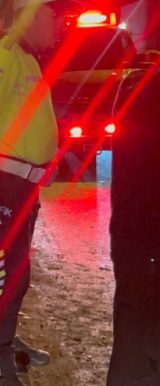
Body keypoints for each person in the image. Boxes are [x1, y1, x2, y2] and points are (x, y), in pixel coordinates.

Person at [0, 0, 72, 386]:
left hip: (22, 184)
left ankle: (5, 342)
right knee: (4, 272)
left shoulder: (29, 59)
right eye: (53, 13)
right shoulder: (5, 55)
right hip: (4, 182)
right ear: (30, 16)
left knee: (17, 271)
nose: (59, 22)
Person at [106, 67, 160, 385]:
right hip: (147, 251)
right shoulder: (149, 94)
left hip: (138, 248)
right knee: (140, 351)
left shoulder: (143, 88)